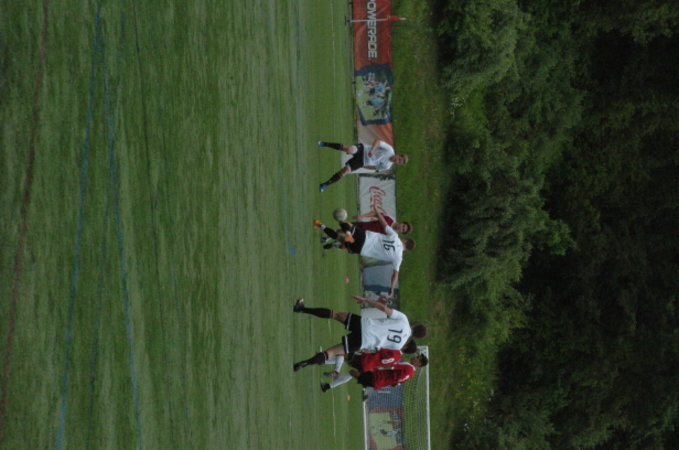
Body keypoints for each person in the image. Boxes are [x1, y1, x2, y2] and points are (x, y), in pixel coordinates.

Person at [292, 296, 427, 372]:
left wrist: (367, 300)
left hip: (365, 325)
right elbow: (380, 350)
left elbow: (384, 309)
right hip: (364, 341)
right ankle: (305, 363)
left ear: (415, 325)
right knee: (332, 352)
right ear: (415, 336)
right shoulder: (399, 346)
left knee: (335, 314)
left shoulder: (404, 320)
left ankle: (302, 309)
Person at [317, 139, 408, 192]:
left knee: (344, 172)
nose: (397, 161)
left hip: (362, 162)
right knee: (349, 149)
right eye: (399, 159)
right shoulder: (390, 150)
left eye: (399, 162)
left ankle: (325, 184)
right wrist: (372, 150)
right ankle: (325, 143)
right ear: (398, 155)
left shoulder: (387, 166)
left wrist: (363, 166)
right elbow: (378, 141)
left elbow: (374, 168)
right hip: (364, 149)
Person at [321, 355, 428, 393]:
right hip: (378, 381)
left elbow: (390, 366)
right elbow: (395, 384)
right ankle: (327, 383)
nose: (415, 357)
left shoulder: (408, 367)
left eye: (418, 358)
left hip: (376, 377)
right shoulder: (411, 374)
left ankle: (328, 381)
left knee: (351, 366)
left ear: (419, 363)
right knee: (353, 370)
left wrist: (375, 367)